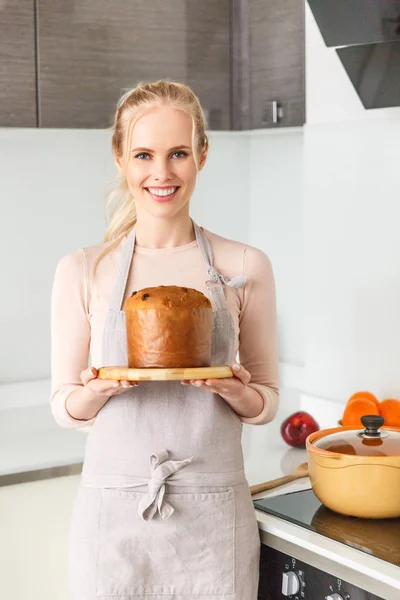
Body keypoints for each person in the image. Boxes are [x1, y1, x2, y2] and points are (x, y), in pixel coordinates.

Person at [50, 80, 279, 600]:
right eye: (143, 154)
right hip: (112, 521)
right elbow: (65, 405)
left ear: (202, 154)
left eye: (178, 153)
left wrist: (233, 390)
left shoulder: (244, 266)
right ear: (119, 158)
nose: (162, 173)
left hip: (215, 519)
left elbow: (266, 400)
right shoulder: (84, 270)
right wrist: (98, 389)